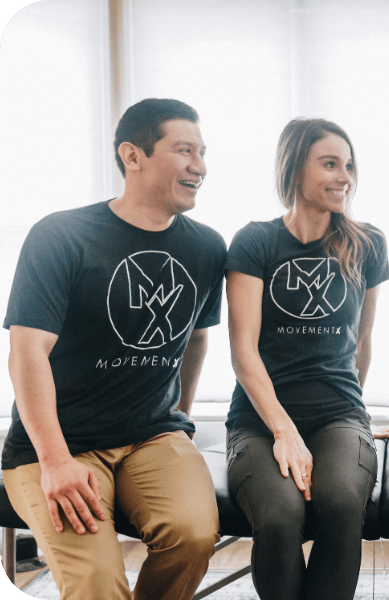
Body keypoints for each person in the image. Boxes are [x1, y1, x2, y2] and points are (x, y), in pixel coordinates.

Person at [2, 98, 227, 599]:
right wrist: (56, 461)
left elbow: (196, 336)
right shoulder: (61, 236)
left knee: (192, 536)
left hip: (152, 436)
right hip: (61, 442)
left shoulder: (208, 248)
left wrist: (181, 418)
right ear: (133, 155)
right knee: (99, 583)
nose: (201, 167)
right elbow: (26, 353)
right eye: (185, 151)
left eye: (204, 153)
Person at [225, 118, 389, 600]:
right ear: (294, 168)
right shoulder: (255, 241)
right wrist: (282, 429)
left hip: (338, 414)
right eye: (330, 164)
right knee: (279, 518)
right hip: (259, 419)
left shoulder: (367, 243)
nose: (345, 175)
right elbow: (243, 351)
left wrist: (355, 418)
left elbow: (363, 341)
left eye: (349, 165)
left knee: (341, 503)